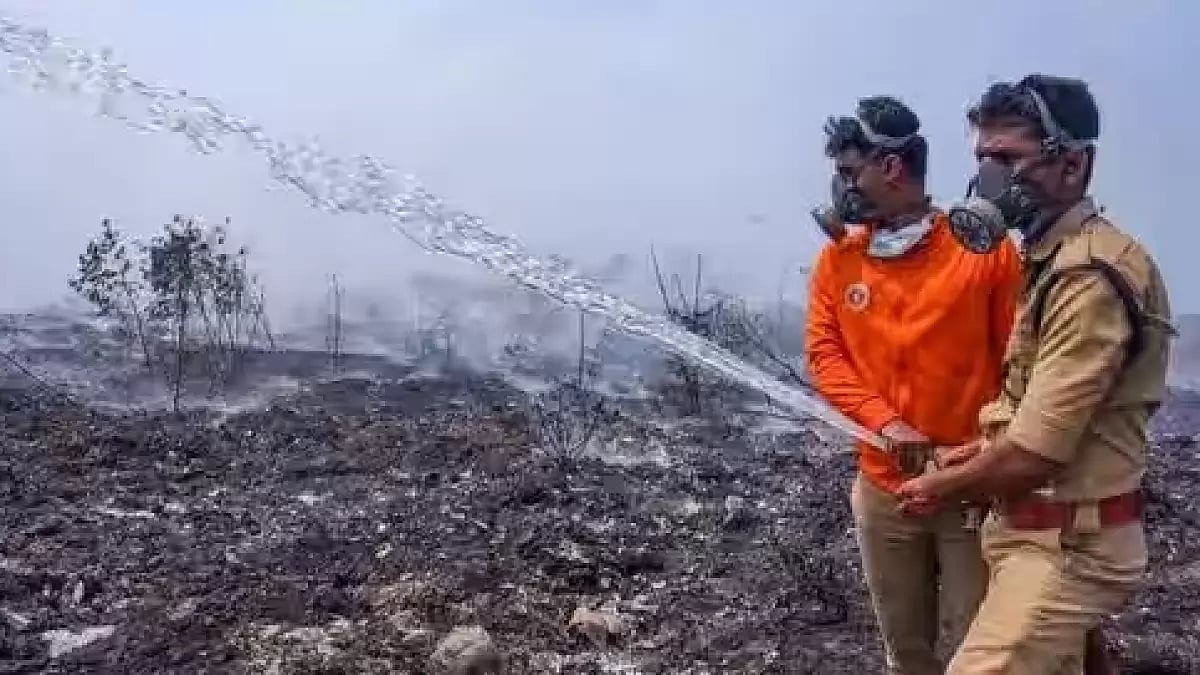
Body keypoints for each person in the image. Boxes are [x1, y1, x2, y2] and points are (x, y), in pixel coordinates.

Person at [897, 74, 1176, 674]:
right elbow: (1051, 411)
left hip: (1069, 550)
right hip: (1039, 533)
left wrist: (940, 487)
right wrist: (982, 450)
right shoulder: (1051, 258)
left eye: (1007, 159)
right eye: (983, 159)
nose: (989, 178)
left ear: (1073, 164)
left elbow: (1036, 455)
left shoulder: (1087, 278)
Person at [804, 95, 1022, 675]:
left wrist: (985, 455)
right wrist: (887, 423)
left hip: (970, 489)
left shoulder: (982, 253)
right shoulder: (840, 260)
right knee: (907, 653)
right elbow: (826, 356)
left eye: (850, 172)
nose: (841, 188)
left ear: (892, 167)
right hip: (884, 490)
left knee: (978, 652)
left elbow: (1020, 363)